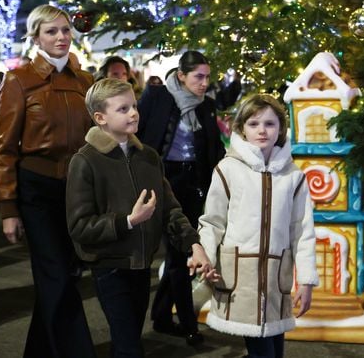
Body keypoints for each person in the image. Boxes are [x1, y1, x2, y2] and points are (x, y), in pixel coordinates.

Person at [65, 78, 214, 358]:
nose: (134, 113)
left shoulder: (149, 157)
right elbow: (79, 226)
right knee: (129, 346)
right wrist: (128, 221)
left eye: (134, 106)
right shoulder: (85, 162)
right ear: (100, 118)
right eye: (123, 109)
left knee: (129, 340)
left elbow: (170, 209)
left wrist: (194, 245)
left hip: (141, 265)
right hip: (110, 266)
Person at [0, 4, 96, 358]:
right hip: (36, 189)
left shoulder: (85, 82)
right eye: (51, 31)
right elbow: (5, 148)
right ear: (35, 37)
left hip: (76, 191)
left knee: (63, 276)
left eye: (65, 30)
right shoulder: (18, 80)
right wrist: (9, 207)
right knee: (56, 275)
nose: (61, 37)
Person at [198, 94, 319, 358]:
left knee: (275, 350)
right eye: (254, 124)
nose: (262, 130)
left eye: (269, 123)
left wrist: (307, 281)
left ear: (281, 129)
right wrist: (205, 257)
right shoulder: (227, 169)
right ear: (241, 128)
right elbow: (212, 221)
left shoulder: (293, 176)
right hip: (240, 277)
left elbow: (302, 231)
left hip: (277, 279)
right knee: (262, 353)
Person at [137, 50, 225, 345]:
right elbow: (138, 135)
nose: (204, 83)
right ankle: (188, 324)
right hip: (163, 181)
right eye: (198, 77)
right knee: (179, 253)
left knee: (179, 252)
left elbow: (214, 149)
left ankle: (162, 316)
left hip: (193, 184)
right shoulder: (159, 98)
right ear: (181, 76)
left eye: (207, 77)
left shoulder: (206, 107)